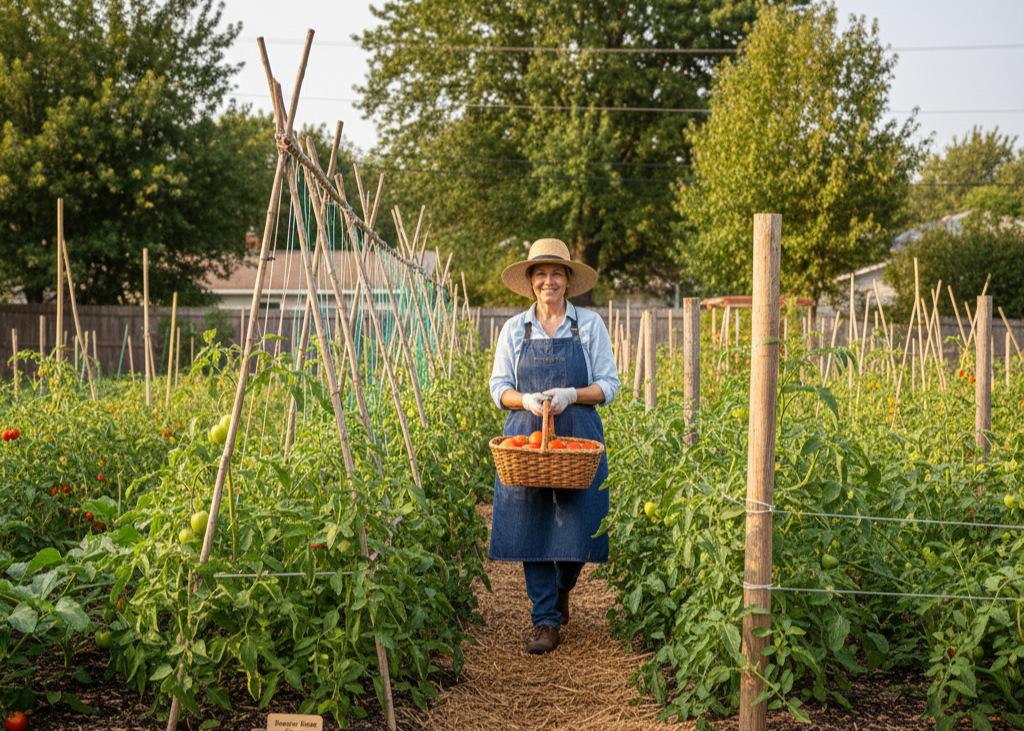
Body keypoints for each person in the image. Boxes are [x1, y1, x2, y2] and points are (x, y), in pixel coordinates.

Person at [488, 238, 621, 655]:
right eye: (541, 274)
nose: (549, 281)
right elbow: (498, 388)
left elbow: (609, 386)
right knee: (533, 526)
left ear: (568, 280)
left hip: (577, 434)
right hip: (526, 438)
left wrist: (571, 394)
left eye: (557, 273)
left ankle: (564, 586)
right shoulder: (515, 329)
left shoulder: (589, 326)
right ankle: (544, 619)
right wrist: (525, 400)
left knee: (582, 524)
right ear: (531, 282)